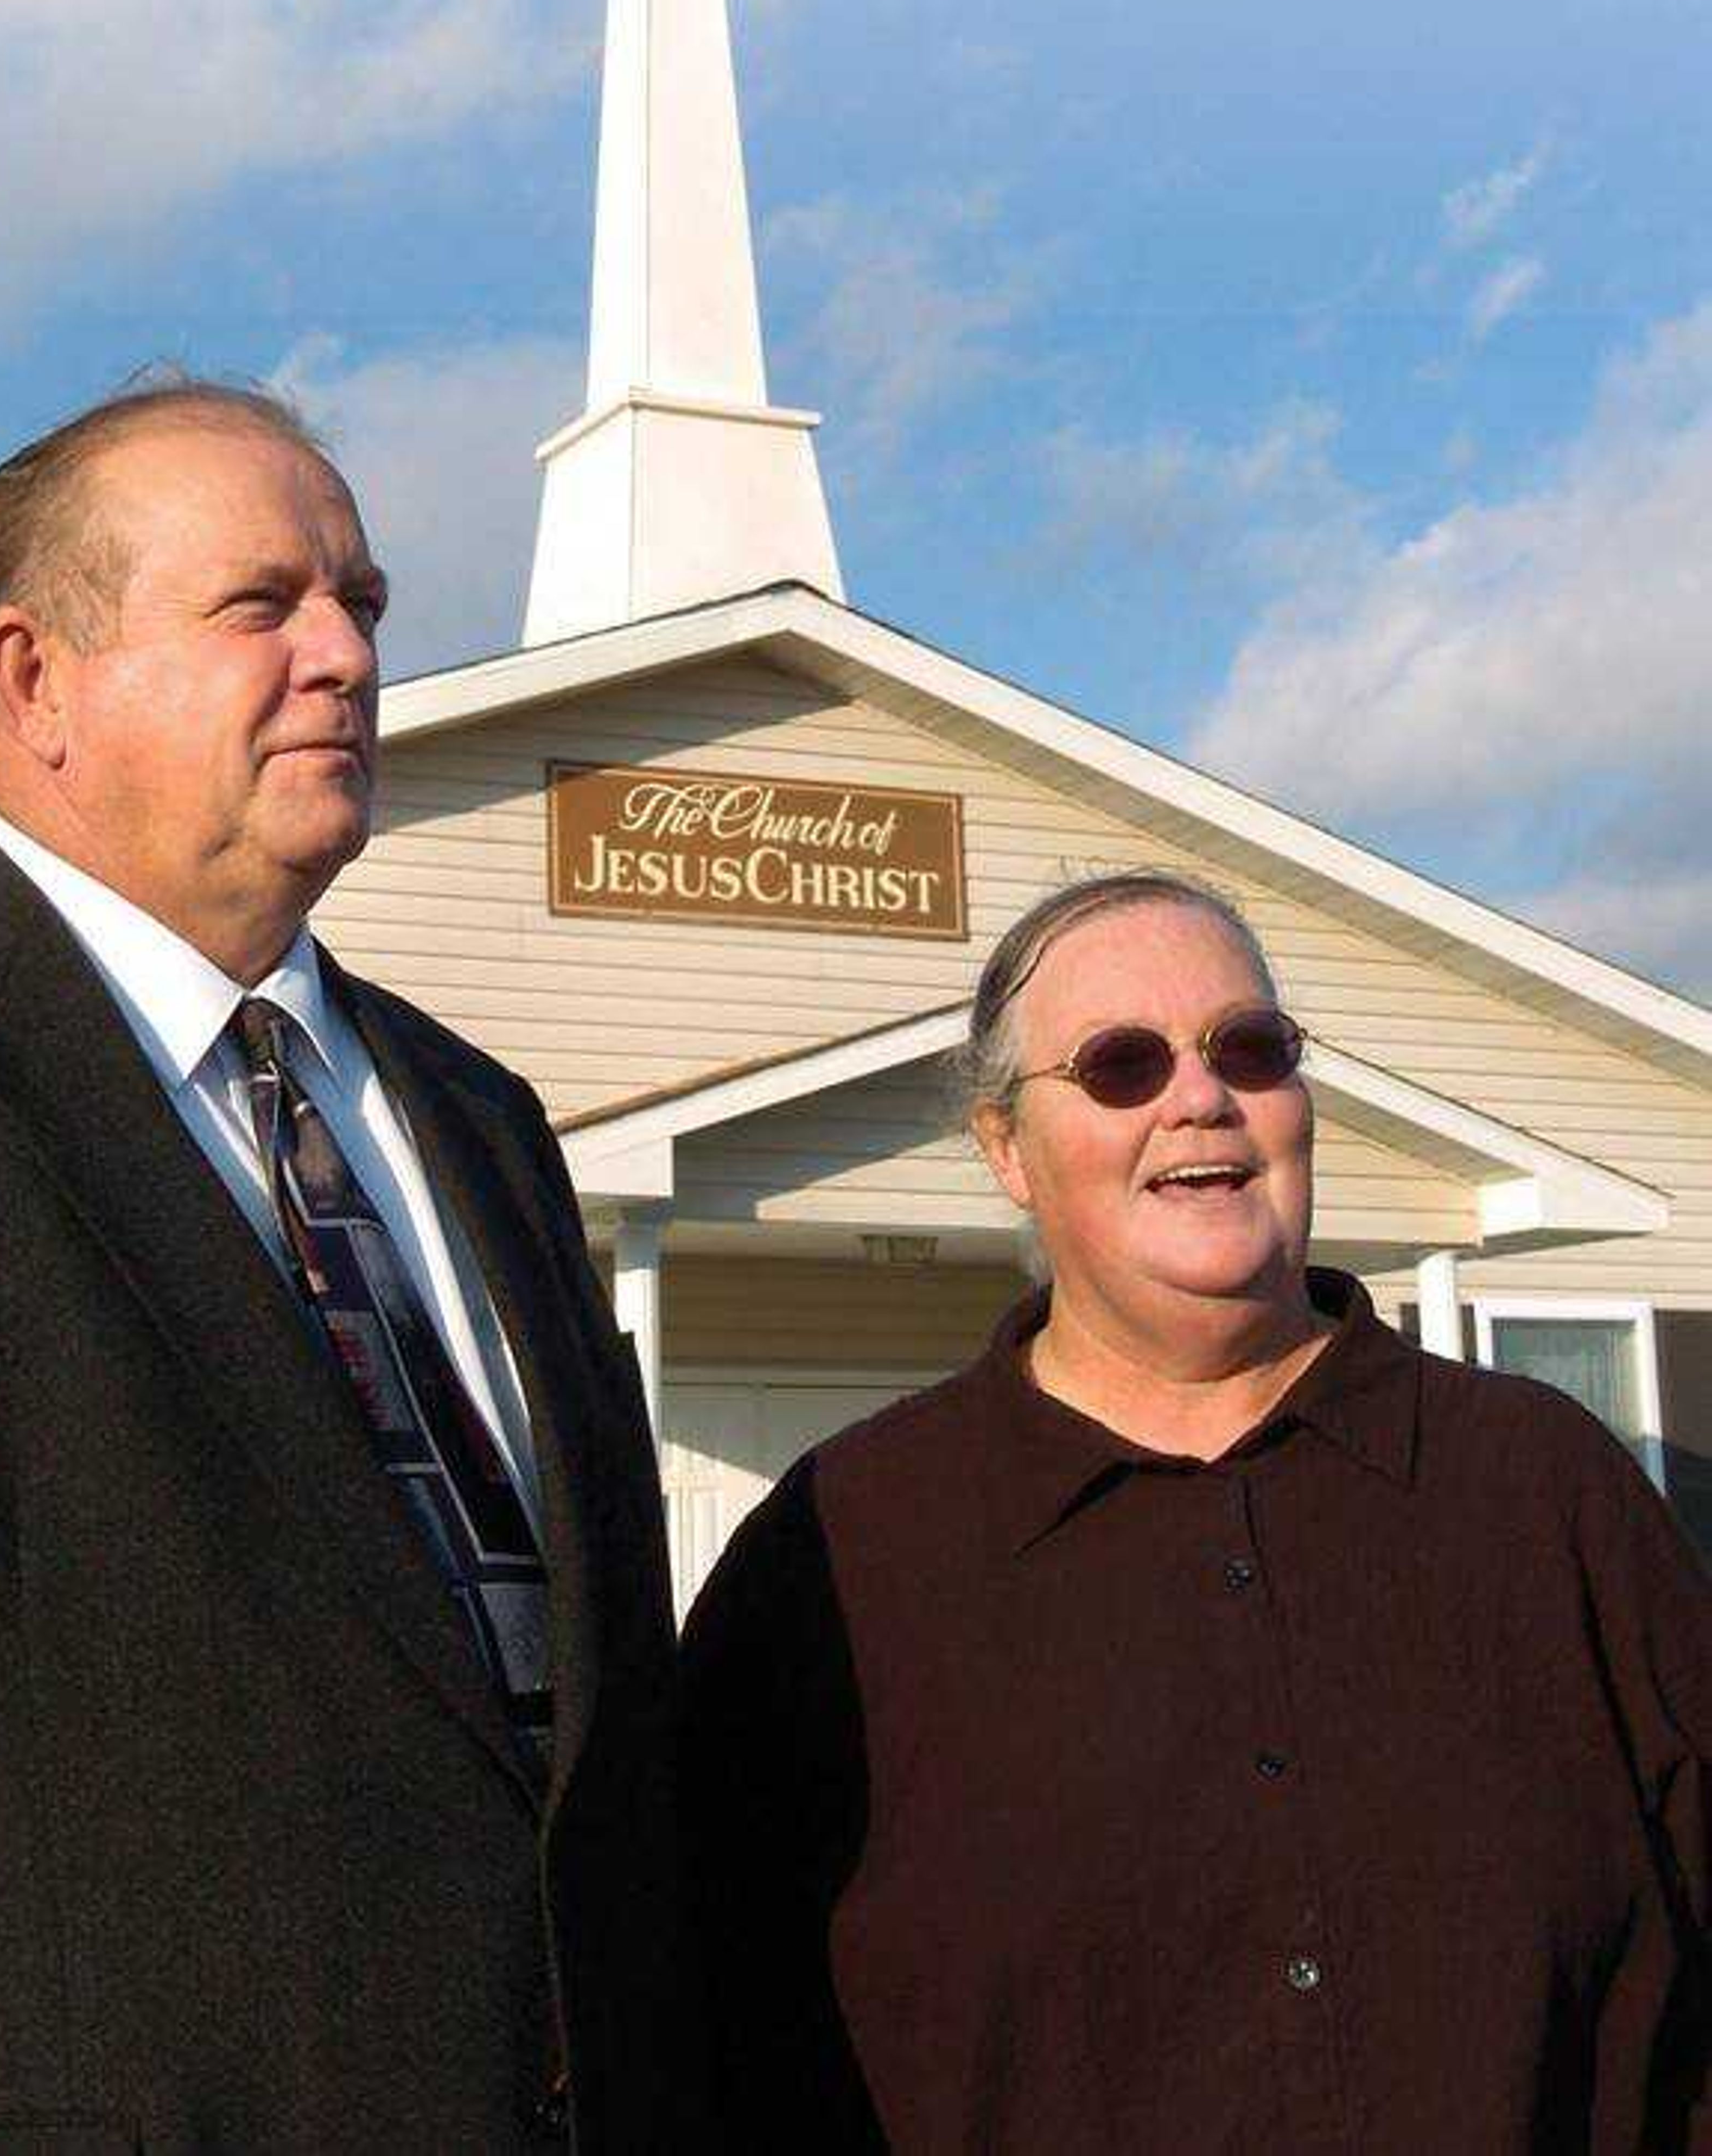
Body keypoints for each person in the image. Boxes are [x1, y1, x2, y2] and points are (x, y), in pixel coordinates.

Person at [0, 377, 682, 2153]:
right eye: (262, 604)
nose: (347, 654)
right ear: (34, 677)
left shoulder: (479, 1119)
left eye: (364, 602)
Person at [680, 869, 1710, 2154]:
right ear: (1006, 1148)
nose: (1201, 1097)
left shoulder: (1548, 1492)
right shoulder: (843, 1550)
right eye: (1119, 1064)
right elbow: (701, 2038)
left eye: (1251, 1048)